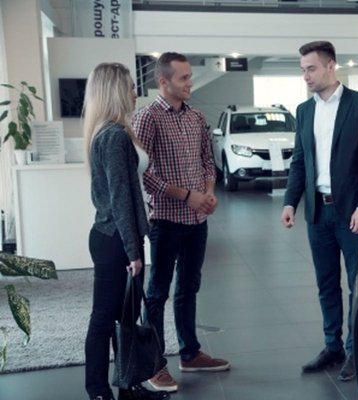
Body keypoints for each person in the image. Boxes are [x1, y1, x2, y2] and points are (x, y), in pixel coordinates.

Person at [280, 40, 358, 382]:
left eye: (311, 68)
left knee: (356, 283)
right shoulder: (304, 111)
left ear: (331, 65)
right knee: (326, 284)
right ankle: (332, 346)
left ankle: (355, 350)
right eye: (302, 70)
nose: (306, 76)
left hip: (351, 212)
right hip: (317, 213)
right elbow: (299, 161)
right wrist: (290, 202)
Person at [133, 52, 230, 393]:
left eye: (190, 76)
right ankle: (154, 364)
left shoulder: (196, 116)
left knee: (189, 287)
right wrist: (186, 195)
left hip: (197, 219)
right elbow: (144, 174)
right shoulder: (147, 118)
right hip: (166, 220)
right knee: (157, 293)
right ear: (164, 82)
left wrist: (208, 192)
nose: (190, 83)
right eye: (184, 78)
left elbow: (207, 160)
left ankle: (190, 353)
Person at [83, 63, 169, 400]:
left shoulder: (115, 132)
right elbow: (119, 197)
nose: (136, 93)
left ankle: (129, 385)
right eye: (131, 87)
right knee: (104, 318)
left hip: (119, 237)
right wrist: (133, 251)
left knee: (126, 318)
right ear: (116, 91)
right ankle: (98, 390)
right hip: (115, 240)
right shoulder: (114, 136)